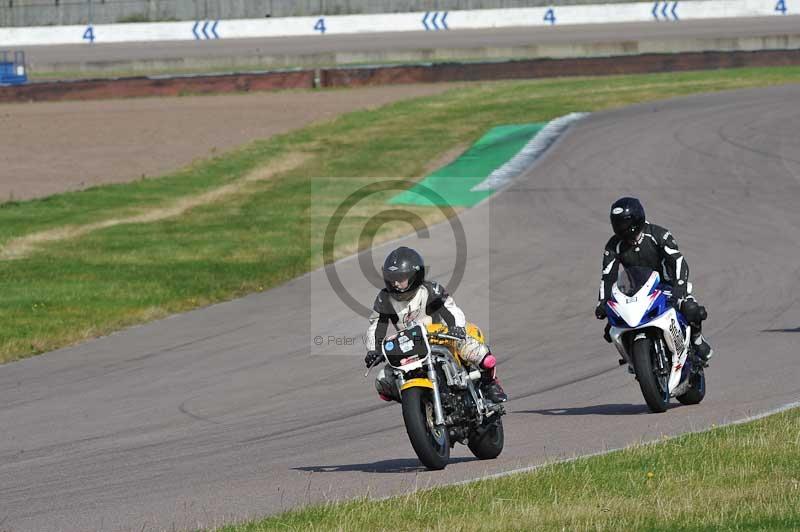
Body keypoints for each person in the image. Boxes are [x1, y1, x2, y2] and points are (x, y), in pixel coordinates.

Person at [364, 246, 507, 403]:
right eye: (392, 279)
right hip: (409, 346)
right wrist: (374, 349)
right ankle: (418, 402)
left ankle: (490, 384)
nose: (396, 284)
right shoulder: (384, 298)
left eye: (401, 279)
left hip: (440, 337)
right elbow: (376, 325)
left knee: (475, 350)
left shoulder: (430, 290)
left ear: (415, 276)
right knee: (383, 382)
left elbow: (450, 309)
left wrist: (457, 328)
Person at [595, 197, 714, 363]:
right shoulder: (613, 246)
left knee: (692, 309)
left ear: (636, 219)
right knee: (612, 327)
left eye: (624, 223)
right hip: (636, 291)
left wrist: (679, 287)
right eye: (617, 223)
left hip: (666, 285)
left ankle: (697, 340)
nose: (620, 227)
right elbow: (608, 276)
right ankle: (636, 360)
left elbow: (678, 261)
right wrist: (603, 302)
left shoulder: (658, 234)